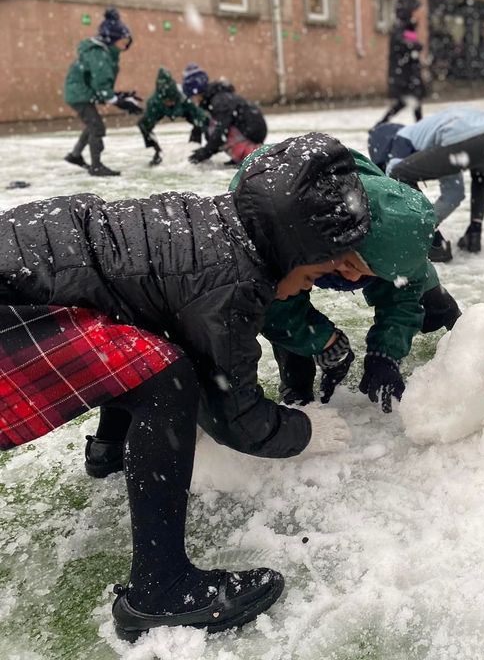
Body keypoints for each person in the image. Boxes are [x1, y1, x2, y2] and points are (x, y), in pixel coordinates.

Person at [1, 132, 370, 639]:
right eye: (314, 271)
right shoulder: (231, 281)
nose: (311, 284)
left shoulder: (212, 224)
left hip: (24, 263)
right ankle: (160, 589)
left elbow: (132, 305)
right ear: (291, 249)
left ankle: (110, 449)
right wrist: (303, 431)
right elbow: (234, 417)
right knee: (168, 380)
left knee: (136, 333)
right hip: (9, 306)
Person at [230, 143, 462, 414]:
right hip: (281, 226)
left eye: (368, 272)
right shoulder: (286, 227)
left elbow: (404, 286)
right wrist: (323, 341)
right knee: (287, 317)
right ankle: (297, 387)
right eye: (351, 263)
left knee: (431, 303)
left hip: (372, 241)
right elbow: (273, 304)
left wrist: (385, 353)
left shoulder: (394, 225)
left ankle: (452, 319)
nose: (353, 276)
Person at [367, 107, 484, 261]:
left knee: (399, 173)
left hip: (466, 140)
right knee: (482, 173)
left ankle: (433, 243)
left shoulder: (402, 137)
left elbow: (393, 175)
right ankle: (474, 234)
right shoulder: (432, 138)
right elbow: (454, 194)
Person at [63, 7, 143, 177]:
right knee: (97, 127)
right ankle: (96, 166)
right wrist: (118, 101)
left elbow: (101, 85)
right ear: (111, 39)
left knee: (92, 125)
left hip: (81, 93)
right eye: (124, 40)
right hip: (80, 95)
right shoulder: (100, 55)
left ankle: (75, 155)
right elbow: (101, 85)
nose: (127, 44)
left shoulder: (103, 53)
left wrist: (120, 96)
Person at [183, 64, 268, 166]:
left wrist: (206, 152)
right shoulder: (217, 98)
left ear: (197, 93)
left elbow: (221, 129)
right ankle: (242, 155)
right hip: (250, 130)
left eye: (192, 97)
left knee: (214, 129)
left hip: (251, 132)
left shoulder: (219, 101)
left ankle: (246, 155)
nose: (193, 101)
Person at [137, 67, 208, 166]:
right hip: (160, 110)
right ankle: (157, 152)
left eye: (172, 99)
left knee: (201, 122)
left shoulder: (184, 97)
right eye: (166, 101)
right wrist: (156, 147)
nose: (169, 103)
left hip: (183, 110)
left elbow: (200, 116)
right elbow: (145, 124)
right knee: (143, 125)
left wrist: (209, 146)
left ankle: (195, 149)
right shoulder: (153, 103)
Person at [378, 0, 425, 125]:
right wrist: (417, 46)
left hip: (408, 73)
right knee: (411, 103)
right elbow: (404, 45)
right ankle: (379, 126)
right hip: (404, 75)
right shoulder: (401, 27)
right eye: (416, 10)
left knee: (409, 103)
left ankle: (379, 125)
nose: (418, 14)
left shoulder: (409, 27)